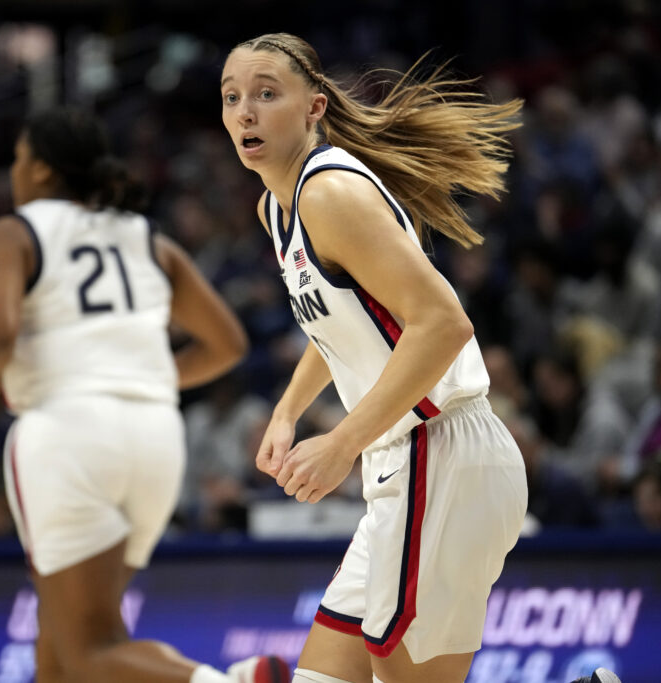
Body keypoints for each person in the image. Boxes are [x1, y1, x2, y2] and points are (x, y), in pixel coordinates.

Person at [220, 33, 530, 683]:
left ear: (315, 106)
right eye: (232, 98)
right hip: (405, 464)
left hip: (442, 452)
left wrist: (340, 443)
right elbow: (338, 324)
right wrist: (287, 412)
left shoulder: (330, 195)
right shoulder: (277, 206)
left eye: (266, 94)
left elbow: (443, 325)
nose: (245, 112)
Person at [0, 106, 289, 683]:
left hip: (69, 432)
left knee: (90, 648)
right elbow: (227, 343)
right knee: (63, 646)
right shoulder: (147, 238)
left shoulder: (13, 231)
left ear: (41, 170)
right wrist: (149, 378)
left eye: (17, 160)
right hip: (156, 439)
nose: (13, 173)